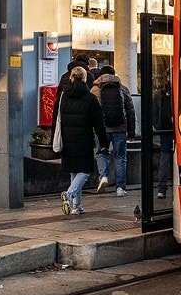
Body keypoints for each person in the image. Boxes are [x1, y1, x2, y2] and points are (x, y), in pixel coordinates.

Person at [55, 66, 107, 216]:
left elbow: (57, 118)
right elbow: (98, 122)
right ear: (84, 78)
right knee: (84, 171)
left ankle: (77, 206)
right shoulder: (90, 98)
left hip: (67, 139)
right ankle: (70, 194)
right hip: (83, 139)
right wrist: (103, 143)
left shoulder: (64, 96)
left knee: (74, 172)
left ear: (71, 77)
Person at [92, 65, 136, 195]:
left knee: (101, 153)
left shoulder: (95, 90)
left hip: (102, 129)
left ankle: (104, 176)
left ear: (100, 75)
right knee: (120, 156)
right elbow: (130, 112)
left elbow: (91, 112)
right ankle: (120, 188)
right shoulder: (123, 89)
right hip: (120, 128)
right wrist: (131, 131)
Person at [152, 75, 175, 198]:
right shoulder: (178, 91)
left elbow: (154, 112)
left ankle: (162, 188)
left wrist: (157, 126)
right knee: (165, 157)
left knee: (164, 157)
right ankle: (163, 186)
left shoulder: (158, 94)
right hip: (171, 129)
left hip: (164, 129)